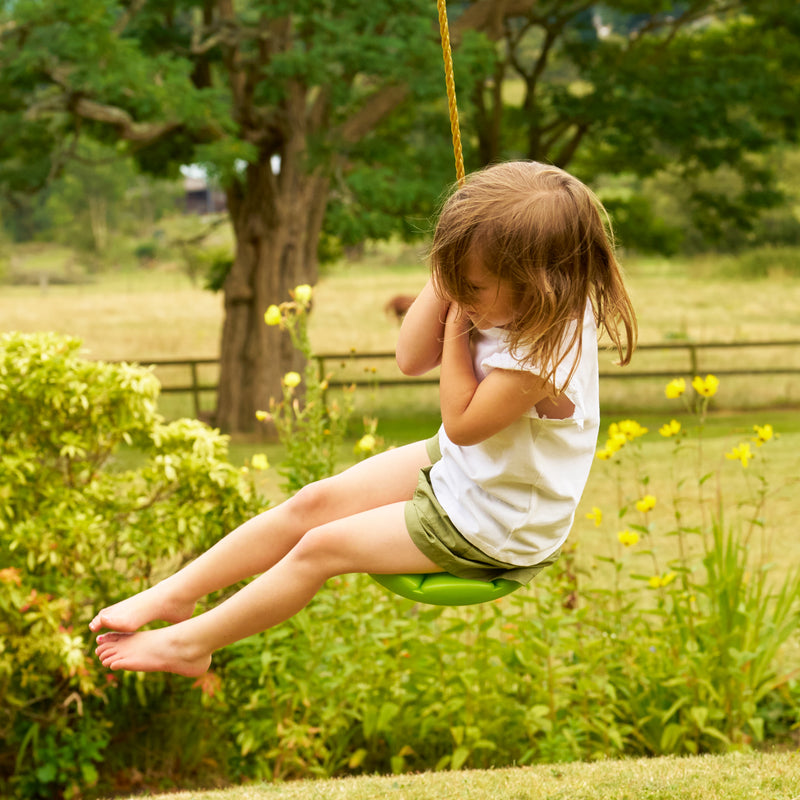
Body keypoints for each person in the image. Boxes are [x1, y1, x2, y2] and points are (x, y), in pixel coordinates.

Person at [93, 161, 637, 676]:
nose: (462, 296)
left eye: (474, 287)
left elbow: (462, 424)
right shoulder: (503, 289)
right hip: (475, 472)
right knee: (312, 503)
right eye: (456, 280)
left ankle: (190, 647)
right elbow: (409, 359)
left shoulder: (544, 354)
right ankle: (178, 593)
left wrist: (454, 318)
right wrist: (451, 279)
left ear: (541, 281)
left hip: (499, 521)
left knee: (319, 548)